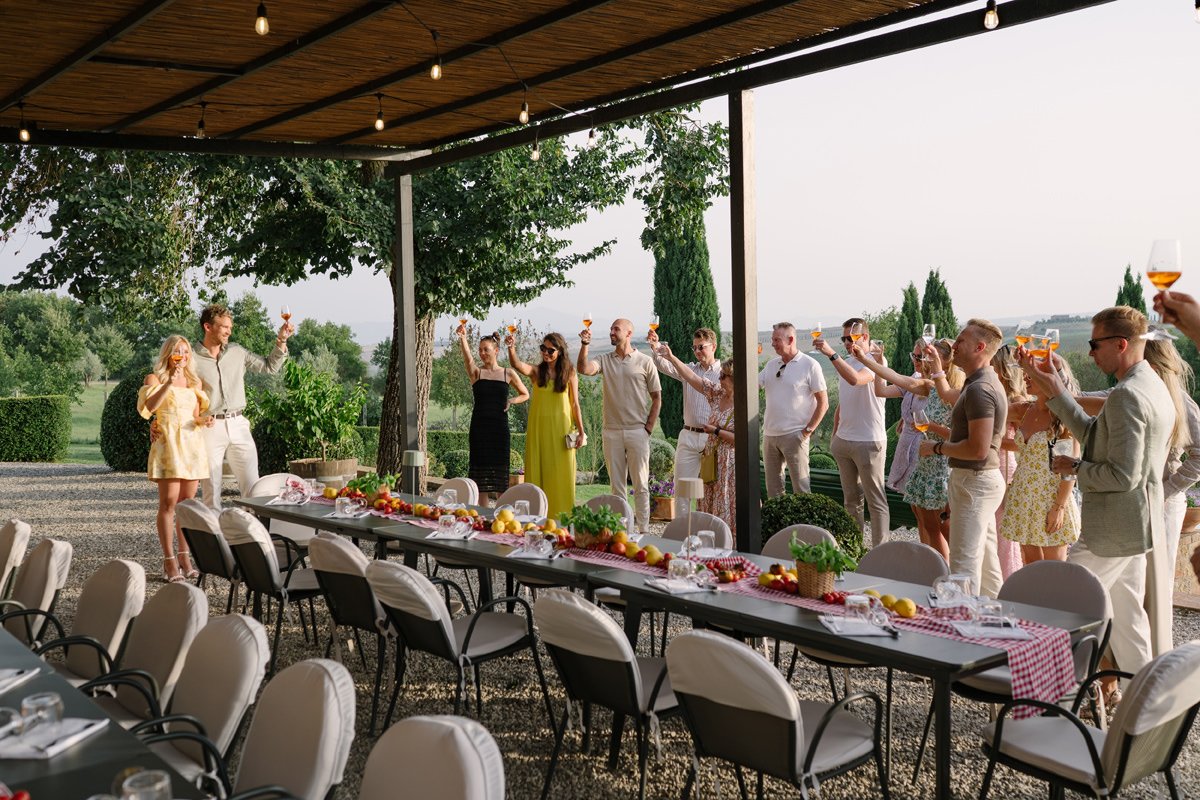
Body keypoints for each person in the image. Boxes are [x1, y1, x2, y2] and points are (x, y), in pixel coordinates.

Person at [1021, 305, 1173, 697]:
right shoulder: (1152, 384)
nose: (1089, 353)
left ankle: (1056, 699)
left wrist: (1074, 467)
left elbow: (1123, 476)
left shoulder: (1126, 396)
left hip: (1110, 530)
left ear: (1120, 344)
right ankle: (1147, 706)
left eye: (1094, 344)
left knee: (1065, 606)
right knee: (1127, 621)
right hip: (1134, 527)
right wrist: (1055, 387)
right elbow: (1095, 435)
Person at [1070, 337, 1199, 656]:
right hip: (1131, 503)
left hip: (1164, 505)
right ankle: (1124, 669)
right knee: (1130, 591)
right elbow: (1087, 399)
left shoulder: (1179, 402)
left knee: (1157, 588)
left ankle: (1159, 662)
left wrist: (1167, 490)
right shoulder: (1127, 394)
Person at [919, 319, 1007, 598]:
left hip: (975, 480)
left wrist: (937, 448)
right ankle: (994, 623)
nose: (954, 346)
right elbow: (946, 395)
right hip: (981, 481)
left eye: (961, 341)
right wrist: (936, 368)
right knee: (988, 565)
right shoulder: (979, 382)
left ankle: (960, 631)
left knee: (963, 565)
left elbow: (978, 449)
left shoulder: (981, 389)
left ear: (980, 347)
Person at [854, 338, 962, 561]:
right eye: (924, 357)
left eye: (931, 357)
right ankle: (930, 569)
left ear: (947, 362)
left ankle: (949, 574)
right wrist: (867, 359)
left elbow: (959, 436)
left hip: (942, 464)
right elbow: (895, 377)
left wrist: (930, 427)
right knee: (927, 525)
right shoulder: (928, 385)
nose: (924, 361)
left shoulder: (957, 393)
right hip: (924, 463)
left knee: (943, 528)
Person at [191, 303, 292, 509]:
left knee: (253, 486)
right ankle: (214, 538)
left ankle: (251, 533)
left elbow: (269, 366)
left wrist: (282, 340)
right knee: (211, 488)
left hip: (238, 424)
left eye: (230, 327)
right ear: (208, 327)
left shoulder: (237, 352)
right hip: (209, 426)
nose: (229, 331)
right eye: (224, 326)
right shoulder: (191, 358)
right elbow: (178, 390)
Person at [138, 336, 213, 583]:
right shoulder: (155, 379)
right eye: (177, 351)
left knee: (187, 505)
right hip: (168, 443)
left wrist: (205, 420)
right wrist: (168, 383)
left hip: (191, 445)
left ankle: (185, 557)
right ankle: (169, 561)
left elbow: (193, 416)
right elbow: (149, 407)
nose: (182, 355)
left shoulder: (194, 382)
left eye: (186, 351)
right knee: (168, 504)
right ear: (168, 354)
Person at [578, 319, 662, 534]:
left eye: (616, 329)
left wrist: (648, 428)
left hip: (638, 431)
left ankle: (643, 531)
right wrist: (585, 345)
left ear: (629, 333)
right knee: (617, 487)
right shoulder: (605, 359)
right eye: (611, 328)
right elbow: (584, 369)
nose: (612, 332)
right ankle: (621, 530)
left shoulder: (644, 361)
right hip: (611, 431)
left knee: (641, 484)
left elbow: (657, 397)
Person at [998, 361, 1080, 564]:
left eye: (1032, 374)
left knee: (1054, 570)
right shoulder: (1023, 410)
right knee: (1030, 566)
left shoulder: (1061, 417)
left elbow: (1069, 470)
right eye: (1027, 373)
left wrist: (1058, 508)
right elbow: (984, 412)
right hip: (1023, 496)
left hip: (1051, 497)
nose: (1025, 377)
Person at [815, 318, 889, 548]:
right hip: (845, 441)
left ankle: (880, 555)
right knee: (851, 501)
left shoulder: (876, 361)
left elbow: (856, 379)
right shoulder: (847, 360)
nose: (847, 343)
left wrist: (830, 353)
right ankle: (853, 549)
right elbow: (843, 402)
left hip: (869, 440)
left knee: (876, 502)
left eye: (851, 338)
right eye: (844, 339)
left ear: (864, 337)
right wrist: (836, 435)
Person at [657, 345, 737, 535]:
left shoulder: (744, 403)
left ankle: (725, 543)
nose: (720, 378)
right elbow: (692, 378)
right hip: (711, 459)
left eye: (724, 376)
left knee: (724, 501)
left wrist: (715, 431)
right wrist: (671, 356)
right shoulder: (717, 394)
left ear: (735, 378)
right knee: (705, 499)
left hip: (729, 464)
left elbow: (742, 439)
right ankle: (698, 539)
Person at [508, 332, 584, 519]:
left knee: (561, 476)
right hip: (538, 431)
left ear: (560, 351)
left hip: (561, 432)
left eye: (551, 350)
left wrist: (581, 431)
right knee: (538, 473)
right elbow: (517, 365)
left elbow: (575, 404)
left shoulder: (570, 372)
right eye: (543, 348)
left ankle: (562, 520)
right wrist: (511, 348)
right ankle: (537, 519)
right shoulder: (537, 372)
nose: (546, 353)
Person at [456, 326, 529, 498]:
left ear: (496, 351)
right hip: (479, 430)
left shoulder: (508, 373)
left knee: (500, 479)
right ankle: (481, 519)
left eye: (486, 350)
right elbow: (468, 359)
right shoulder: (476, 373)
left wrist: (511, 400)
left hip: (500, 431)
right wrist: (463, 338)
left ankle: (501, 518)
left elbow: (525, 394)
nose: (482, 353)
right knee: (480, 481)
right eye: (480, 350)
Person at [757, 323, 828, 496]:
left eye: (776, 340)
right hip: (769, 436)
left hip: (795, 436)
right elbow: (751, 386)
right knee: (773, 491)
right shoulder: (771, 365)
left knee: (801, 491)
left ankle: (803, 524)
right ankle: (779, 524)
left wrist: (807, 432)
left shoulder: (810, 365)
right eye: (772, 339)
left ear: (790, 339)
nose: (772, 344)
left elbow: (823, 403)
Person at [647, 327, 723, 482]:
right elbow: (664, 366)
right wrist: (655, 346)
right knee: (681, 487)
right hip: (688, 436)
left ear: (714, 347)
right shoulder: (689, 369)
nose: (697, 351)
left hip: (712, 438)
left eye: (701, 347)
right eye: (694, 348)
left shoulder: (724, 374)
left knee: (711, 489)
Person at [991, 345, 1027, 579]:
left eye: (994, 364)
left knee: (1004, 535)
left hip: (1005, 469)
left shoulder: (1017, 399)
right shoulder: (998, 394)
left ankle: (1008, 580)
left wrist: (994, 441)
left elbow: (1025, 443)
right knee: (991, 532)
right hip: (992, 467)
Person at [883, 344, 929, 496]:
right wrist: (879, 364)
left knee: (919, 497)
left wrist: (875, 363)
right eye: (914, 356)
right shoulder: (914, 377)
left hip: (924, 444)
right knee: (908, 497)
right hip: (906, 441)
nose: (915, 360)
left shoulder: (933, 384)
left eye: (920, 357)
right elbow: (880, 391)